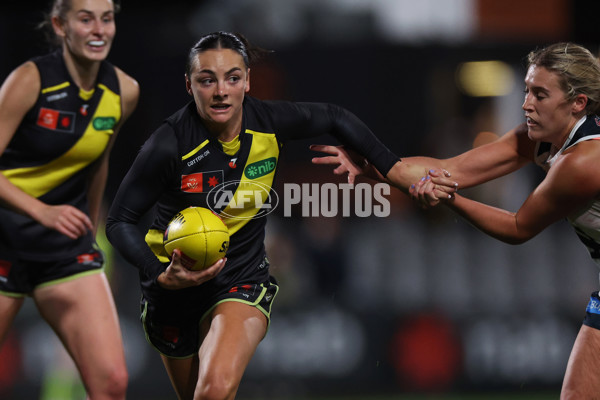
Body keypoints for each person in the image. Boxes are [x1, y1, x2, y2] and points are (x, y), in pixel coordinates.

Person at [104, 31, 402, 400]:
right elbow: (118, 222)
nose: (220, 91)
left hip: (240, 279)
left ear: (247, 81)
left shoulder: (268, 122)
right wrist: (160, 274)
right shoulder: (168, 144)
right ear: (188, 84)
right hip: (171, 290)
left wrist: (394, 169)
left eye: (232, 78)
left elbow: (336, 117)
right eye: (206, 79)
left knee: (212, 391)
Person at [312, 42, 600, 399]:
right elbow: (452, 169)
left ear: (578, 102)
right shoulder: (540, 139)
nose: (526, 104)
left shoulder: (584, 162)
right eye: (527, 91)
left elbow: (518, 227)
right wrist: (372, 165)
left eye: (540, 94)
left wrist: (450, 198)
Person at [0, 0, 139, 398]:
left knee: (112, 382)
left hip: (63, 248)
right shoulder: (30, 80)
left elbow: (98, 165)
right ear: (61, 25)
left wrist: (90, 230)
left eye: (107, 18)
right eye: (85, 19)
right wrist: (41, 211)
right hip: (5, 239)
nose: (99, 30)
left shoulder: (123, 91)